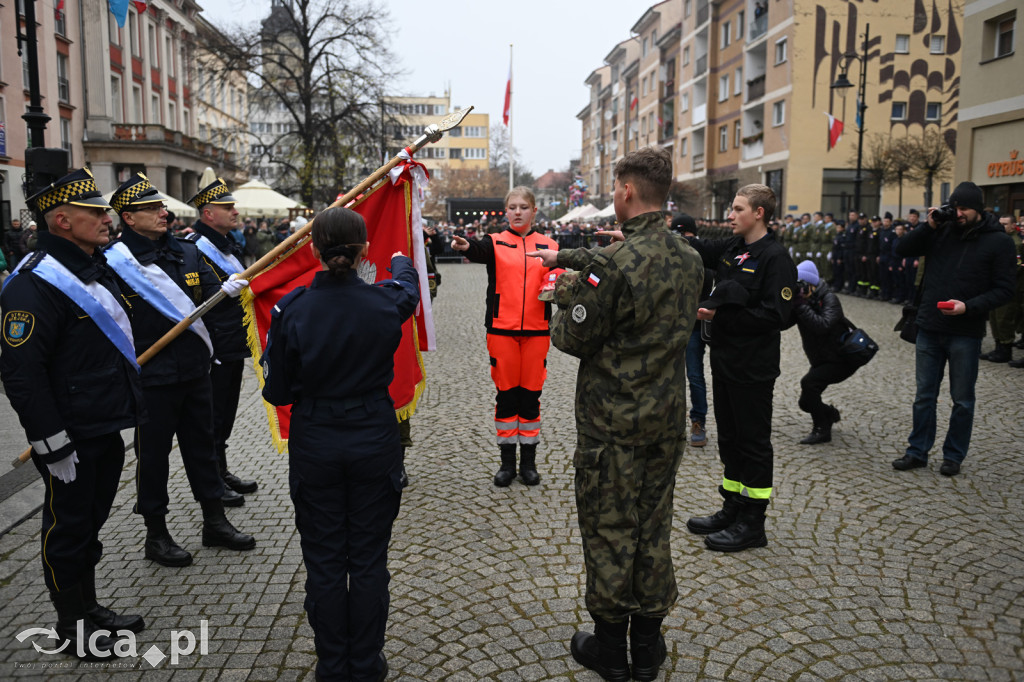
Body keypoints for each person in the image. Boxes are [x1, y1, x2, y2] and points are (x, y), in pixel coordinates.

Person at [528, 146, 703, 682]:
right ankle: (647, 649)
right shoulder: (691, 259)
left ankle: (609, 650)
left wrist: (557, 299)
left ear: (627, 190)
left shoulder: (615, 265)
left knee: (609, 531)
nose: (612, 194)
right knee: (654, 528)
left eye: (614, 186)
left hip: (613, 425)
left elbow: (575, 339)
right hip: (667, 420)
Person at [260, 207, 419, 682]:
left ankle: (333, 665)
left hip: (317, 442)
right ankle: (366, 664)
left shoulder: (292, 308)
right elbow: (407, 288)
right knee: (368, 560)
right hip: (374, 436)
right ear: (363, 251)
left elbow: (278, 392)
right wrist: (400, 260)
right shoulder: (385, 301)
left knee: (326, 560)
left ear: (314, 251)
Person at [0, 168, 146, 659]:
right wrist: (51, 443)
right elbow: (23, 375)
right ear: (61, 219)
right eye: (96, 212)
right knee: (67, 529)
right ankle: (71, 626)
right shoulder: (33, 284)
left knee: (90, 524)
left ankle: (89, 606)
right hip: (70, 434)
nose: (107, 219)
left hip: (102, 424)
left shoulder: (91, 266)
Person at [106, 173, 256, 567]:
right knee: (153, 458)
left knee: (202, 448)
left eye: (162, 206)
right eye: (151, 208)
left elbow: (211, 296)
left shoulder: (185, 253)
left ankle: (214, 521)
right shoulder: (114, 263)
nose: (163, 212)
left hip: (194, 370)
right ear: (128, 218)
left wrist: (225, 291)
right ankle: (156, 534)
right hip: (151, 378)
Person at [684, 184, 797, 552]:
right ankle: (732, 507)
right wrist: (640, 233)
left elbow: (778, 315)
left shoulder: (775, 257)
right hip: (726, 360)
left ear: (759, 213)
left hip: (753, 366)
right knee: (730, 438)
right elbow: (693, 246)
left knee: (753, 442)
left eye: (737, 209)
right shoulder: (734, 248)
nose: (730, 215)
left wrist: (724, 315)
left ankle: (753, 522)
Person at [892, 182, 1015, 476]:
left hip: (965, 331)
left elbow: (1005, 290)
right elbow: (901, 249)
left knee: (962, 399)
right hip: (930, 327)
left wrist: (969, 306)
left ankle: (953, 455)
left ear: (979, 209)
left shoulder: (999, 242)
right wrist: (929, 224)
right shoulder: (941, 231)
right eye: (954, 208)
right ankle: (917, 451)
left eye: (964, 209)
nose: (958, 214)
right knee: (924, 396)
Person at [450, 187, 560, 487]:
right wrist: (465, 246)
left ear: (534, 211)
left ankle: (529, 464)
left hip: (537, 331)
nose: (518, 212)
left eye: (524, 207)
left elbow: (560, 280)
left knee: (531, 397)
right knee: (506, 395)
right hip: (502, 330)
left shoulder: (549, 244)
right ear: (506, 211)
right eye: (512, 207)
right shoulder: (495, 242)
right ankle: (507, 464)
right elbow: (478, 250)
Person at [185, 179, 260, 500]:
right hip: (211, 347)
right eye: (227, 208)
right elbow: (193, 296)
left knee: (226, 412)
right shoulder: (192, 246)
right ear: (207, 213)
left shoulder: (228, 244)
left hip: (232, 344)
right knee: (211, 417)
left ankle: (221, 469)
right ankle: (213, 480)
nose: (235, 212)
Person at [787, 260, 864, 444]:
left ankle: (822, 429)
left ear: (811, 284)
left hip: (841, 359)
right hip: (822, 359)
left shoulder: (829, 299)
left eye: (801, 286)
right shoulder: (803, 301)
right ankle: (828, 413)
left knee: (809, 383)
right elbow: (783, 323)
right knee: (805, 403)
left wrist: (800, 306)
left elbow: (822, 325)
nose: (800, 290)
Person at [671, 212, 712, 448]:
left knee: (695, 376)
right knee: (666, 376)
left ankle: (698, 421)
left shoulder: (703, 256)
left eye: (684, 234)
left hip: (696, 326)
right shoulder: (671, 256)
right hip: (672, 325)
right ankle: (667, 422)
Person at [978, 214, 1021, 364]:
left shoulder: (1015, 243)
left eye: (1005, 224)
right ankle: (998, 346)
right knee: (995, 318)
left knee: (1004, 319)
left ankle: (1005, 349)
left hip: (1009, 288)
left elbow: (1015, 268)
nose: (1002, 226)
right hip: (995, 287)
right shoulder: (1001, 241)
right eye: (1000, 223)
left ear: (1013, 225)